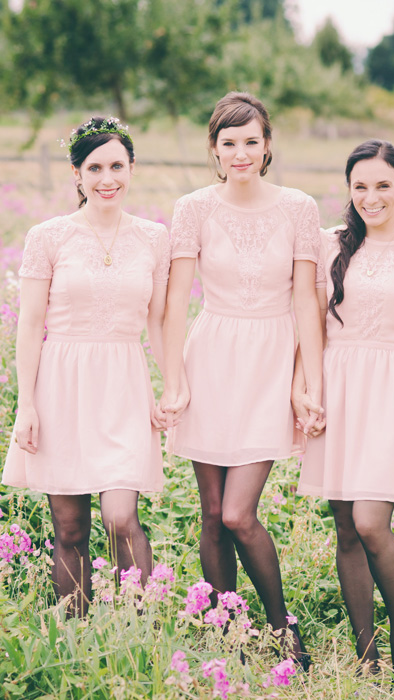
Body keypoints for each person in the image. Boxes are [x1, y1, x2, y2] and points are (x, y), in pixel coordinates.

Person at [158, 92, 323, 666]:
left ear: (268, 145)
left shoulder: (299, 207)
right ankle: (229, 627)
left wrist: (307, 381)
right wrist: (173, 379)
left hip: (270, 364)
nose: (241, 153)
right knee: (210, 513)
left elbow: (308, 301)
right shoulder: (193, 208)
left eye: (251, 141)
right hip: (211, 359)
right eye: (229, 143)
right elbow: (176, 303)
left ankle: (283, 628)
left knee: (237, 513)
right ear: (214, 149)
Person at [293, 139, 394, 675]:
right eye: (360, 186)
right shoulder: (329, 244)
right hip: (339, 388)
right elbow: (311, 325)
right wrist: (307, 388)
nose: (371, 196)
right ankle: (366, 652)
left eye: (383, 185)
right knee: (344, 526)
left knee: (369, 522)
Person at [2, 116, 170, 616]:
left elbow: (159, 322)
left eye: (117, 165)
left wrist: (173, 386)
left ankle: (136, 626)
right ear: (76, 174)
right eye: (94, 167)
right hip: (60, 385)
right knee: (69, 528)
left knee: (121, 516)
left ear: (132, 167)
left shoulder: (154, 238)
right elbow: (30, 325)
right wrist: (25, 406)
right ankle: (76, 632)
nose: (107, 178)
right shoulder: (48, 237)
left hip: (123, 384)